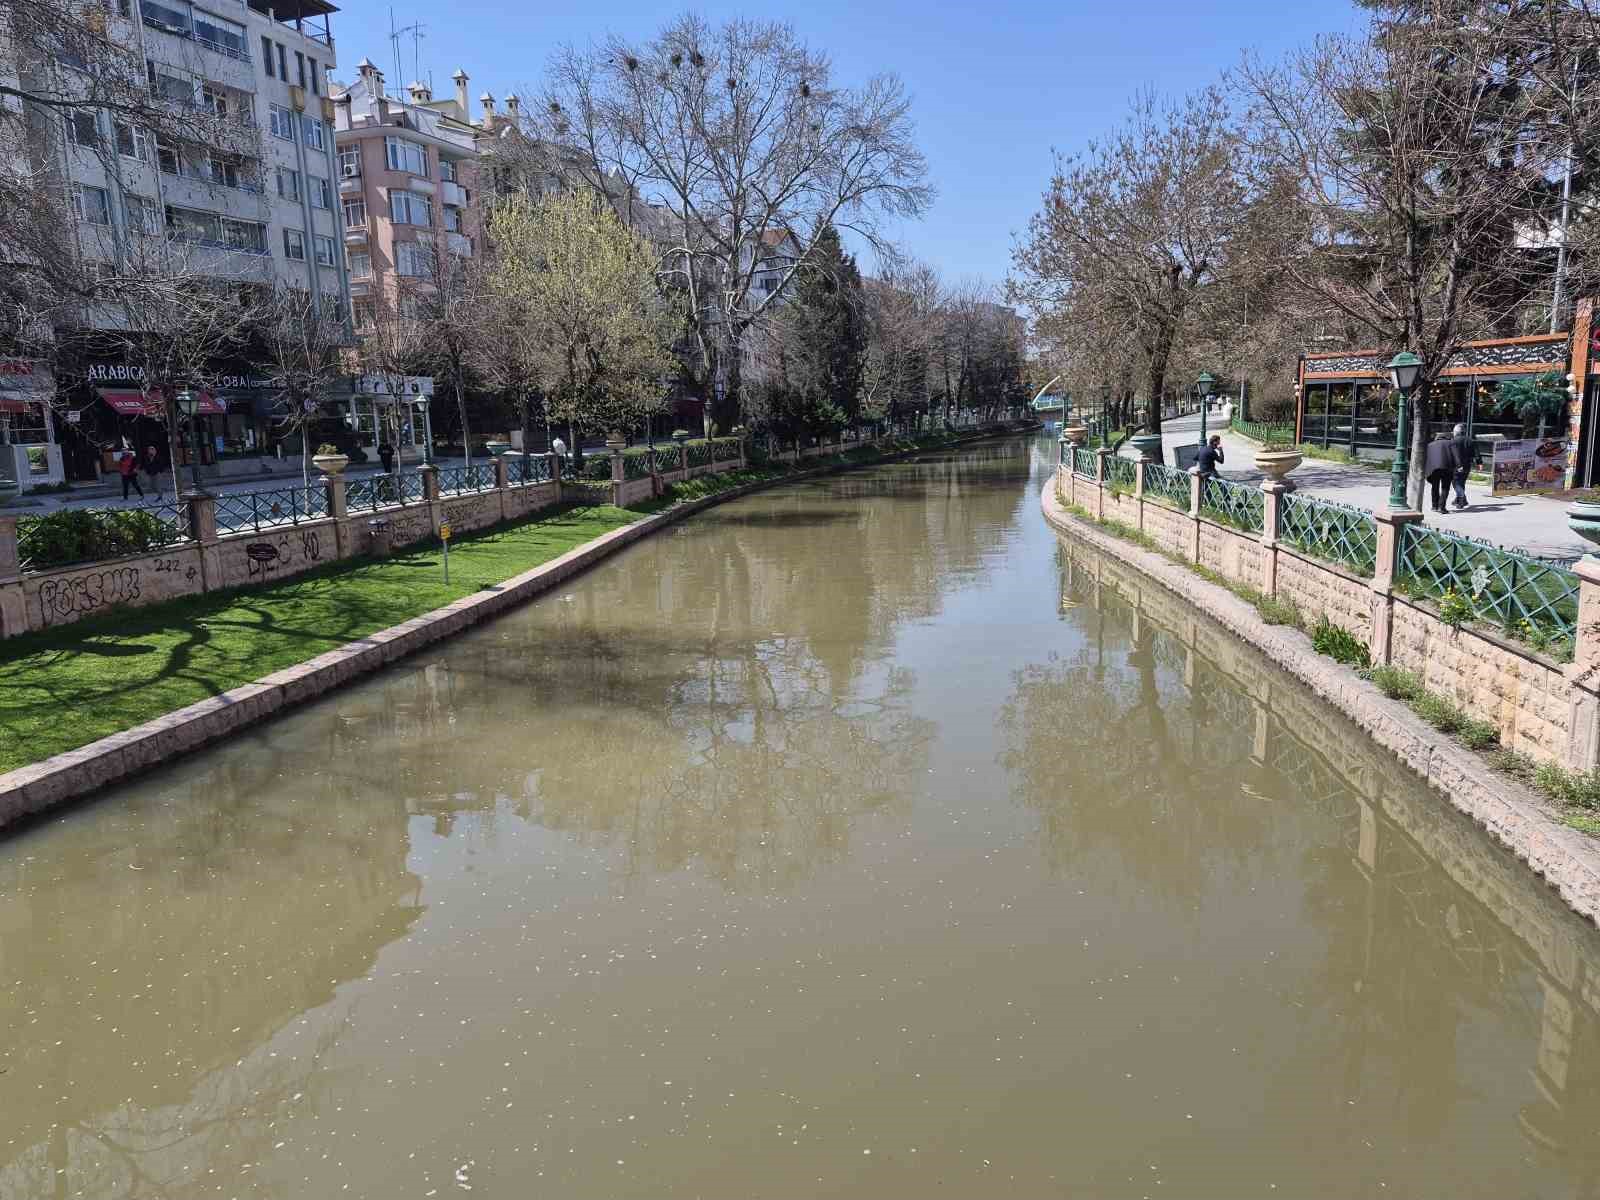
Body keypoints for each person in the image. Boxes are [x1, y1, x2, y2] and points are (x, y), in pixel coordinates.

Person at [1424, 431, 1453, 514]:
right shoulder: (1450, 443)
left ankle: (1434, 506)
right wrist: (1458, 465)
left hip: (1433, 469)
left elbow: (1427, 457)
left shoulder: (1430, 445)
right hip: (1447, 468)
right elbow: (1455, 455)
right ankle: (1441, 507)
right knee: (1445, 488)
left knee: (1434, 487)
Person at [1449, 423, 1473, 510]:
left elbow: (1452, 454)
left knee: (1456, 483)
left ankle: (1461, 500)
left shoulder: (1453, 441)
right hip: (1467, 465)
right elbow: (1475, 452)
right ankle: (1460, 499)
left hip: (1457, 465)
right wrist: (1479, 463)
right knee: (1461, 482)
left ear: (1456, 432)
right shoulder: (1469, 440)